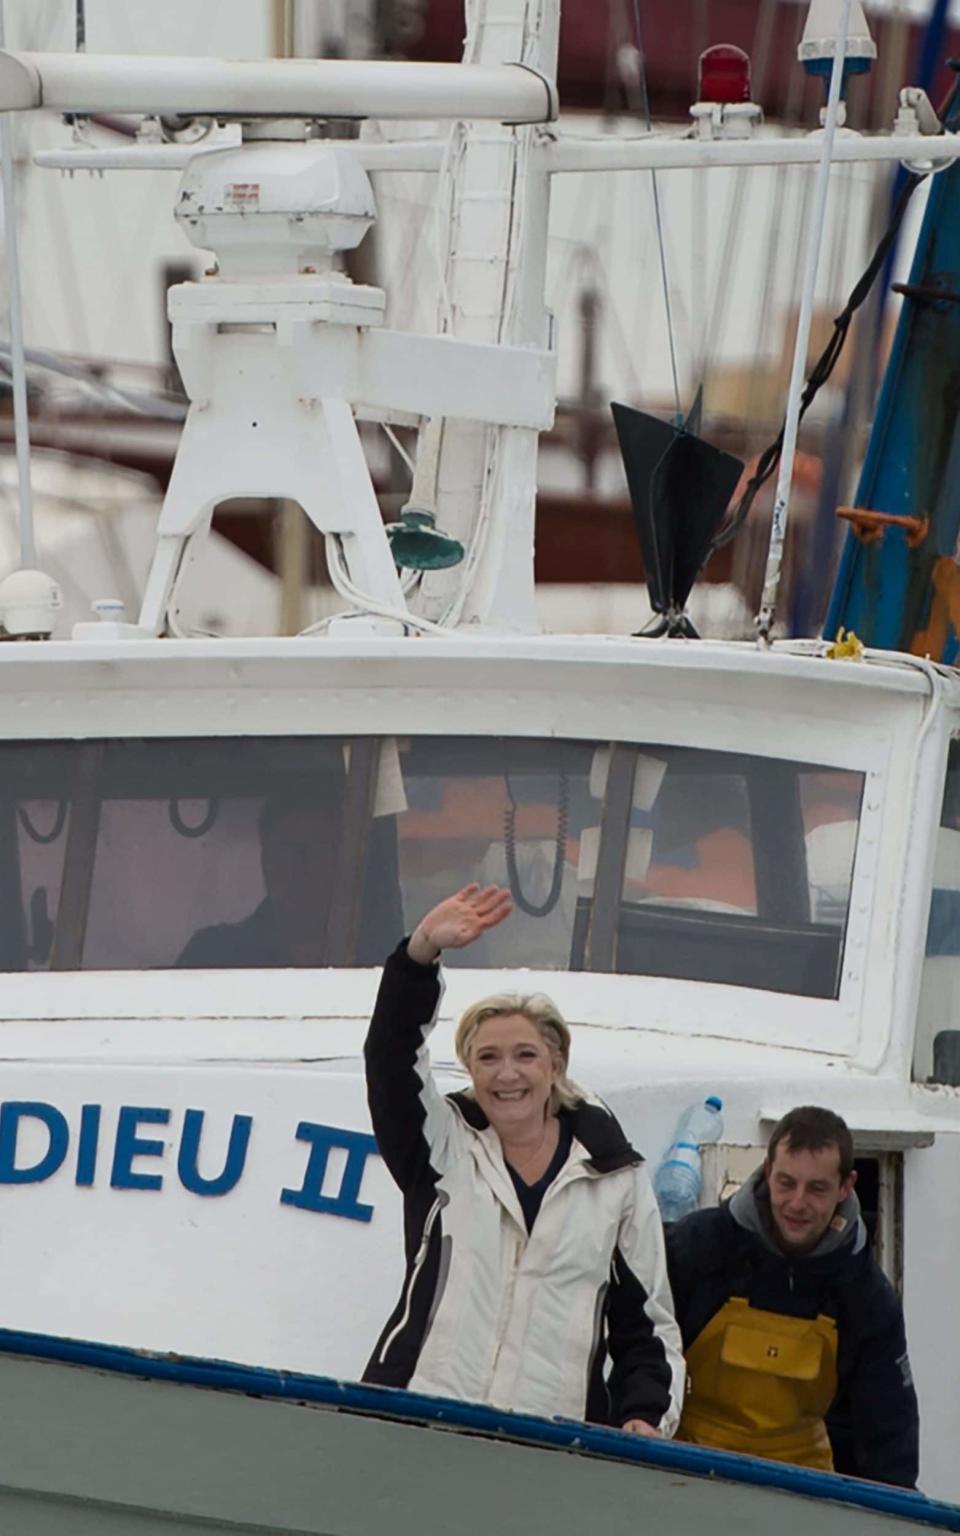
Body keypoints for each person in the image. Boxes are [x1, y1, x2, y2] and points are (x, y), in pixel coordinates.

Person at [362, 883, 685, 1434]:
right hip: (413, 1428)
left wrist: (643, 1415)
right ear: (468, 1068)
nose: (506, 1074)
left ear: (555, 1064)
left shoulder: (616, 1180)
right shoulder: (442, 1149)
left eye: (525, 1055)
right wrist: (418, 955)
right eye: (487, 1057)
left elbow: (647, 1327)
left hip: (548, 1448)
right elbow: (391, 1059)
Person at [665, 1105, 919, 1486]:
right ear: (767, 1172)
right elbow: (641, 1353)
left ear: (846, 1187)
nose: (797, 1203)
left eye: (817, 1188)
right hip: (686, 1471)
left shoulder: (866, 1294)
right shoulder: (698, 1248)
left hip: (800, 1489)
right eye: (786, 1183)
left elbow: (887, 1435)